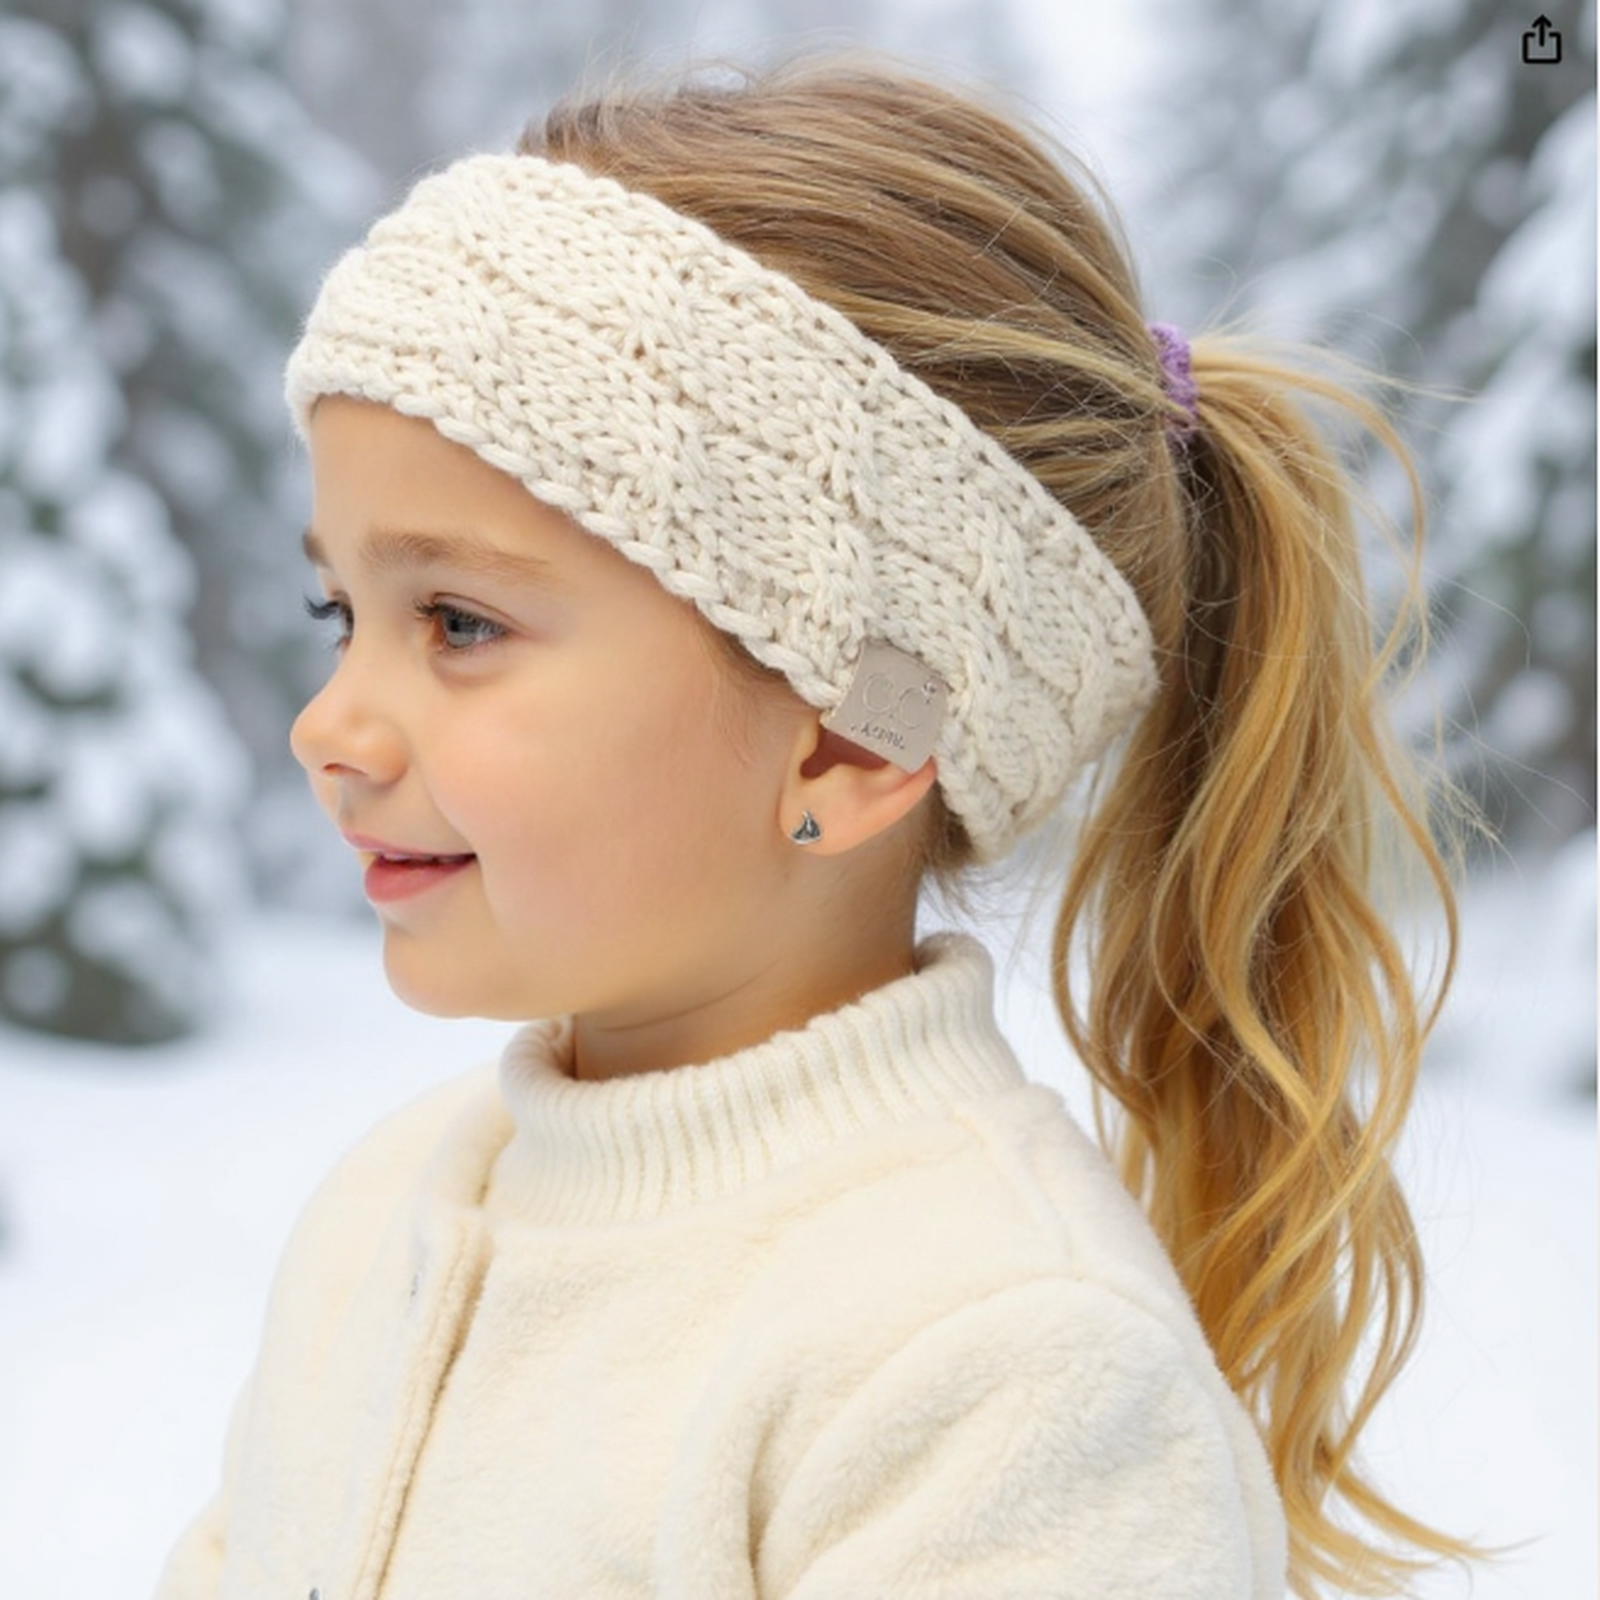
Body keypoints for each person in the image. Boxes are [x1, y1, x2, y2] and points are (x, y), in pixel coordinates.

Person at [154, 56, 1477, 1600]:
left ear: (855, 741)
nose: (330, 726)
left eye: (456, 620)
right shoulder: (389, 1208)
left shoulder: (995, 1379)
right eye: (341, 608)